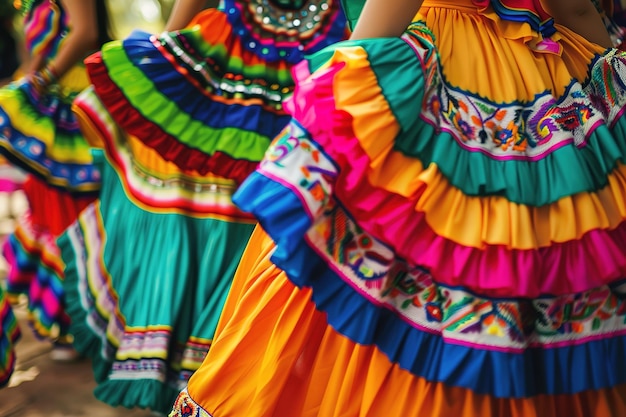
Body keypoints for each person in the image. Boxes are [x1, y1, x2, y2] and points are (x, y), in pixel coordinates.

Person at [168, 0, 626, 416]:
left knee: (351, 264)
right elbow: (575, 6)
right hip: (551, 89)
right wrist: (613, 82)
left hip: (443, 65)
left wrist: (349, 77)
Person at [57, 0, 347, 413]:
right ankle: (226, 372)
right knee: (264, 224)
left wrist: (170, 48)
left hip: (239, 65)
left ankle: (207, 377)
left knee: (226, 223)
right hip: (315, 64)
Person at [0, 0, 110, 359]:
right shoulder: (29, 3)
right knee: (48, 213)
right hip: (46, 110)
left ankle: (87, 326)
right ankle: (74, 325)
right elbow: (33, 55)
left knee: (71, 219)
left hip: (71, 112)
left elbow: (86, 33)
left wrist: (38, 82)